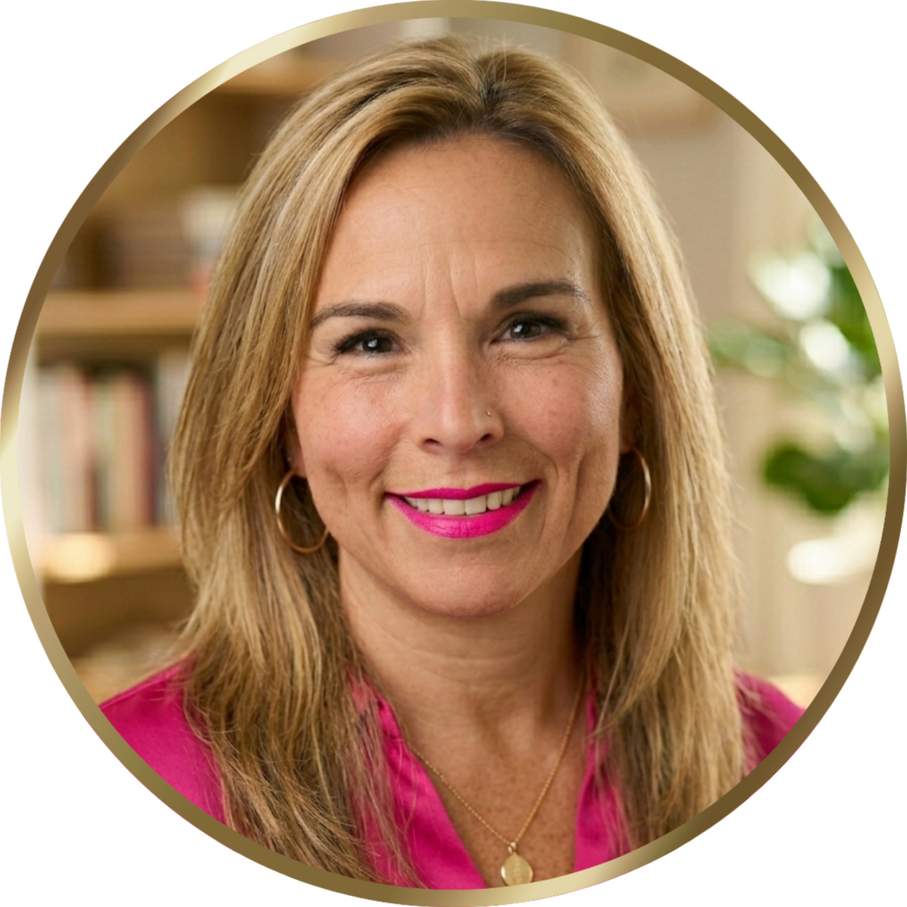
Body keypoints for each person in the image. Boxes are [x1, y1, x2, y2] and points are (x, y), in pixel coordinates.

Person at [101, 37, 803, 889]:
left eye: (527, 328)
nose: (457, 421)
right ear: (279, 419)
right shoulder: (145, 771)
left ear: (636, 389)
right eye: (369, 342)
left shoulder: (769, 750)